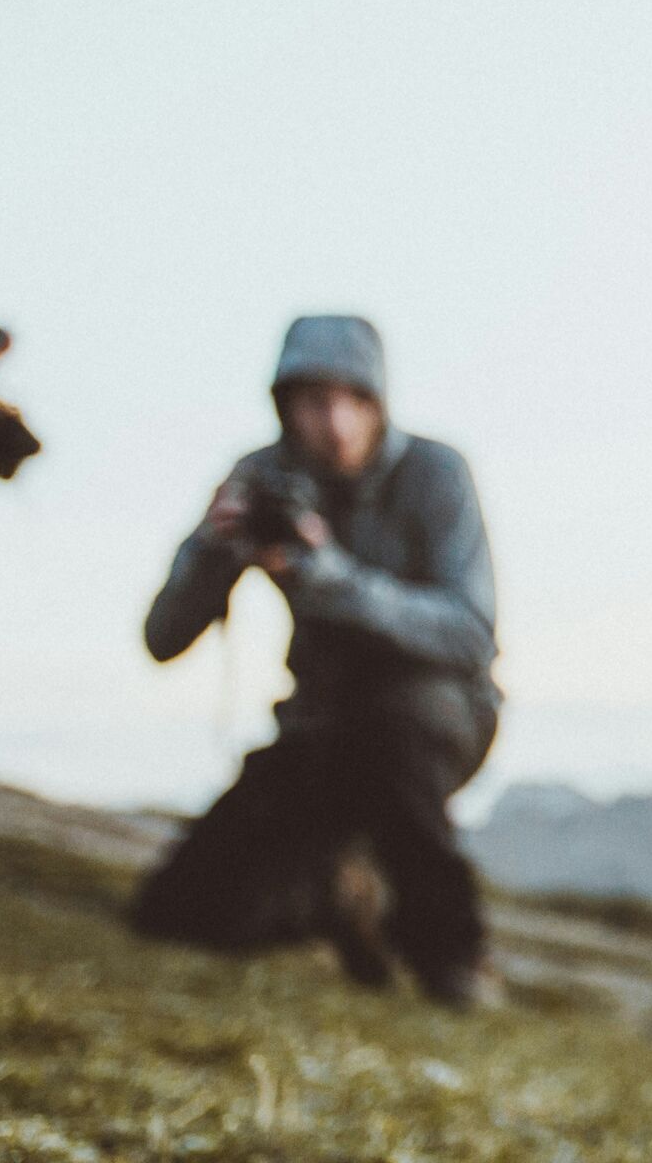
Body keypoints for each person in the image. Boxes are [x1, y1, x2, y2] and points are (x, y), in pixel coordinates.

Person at [131, 315, 502, 1007]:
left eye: (351, 400)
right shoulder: (262, 480)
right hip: (319, 728)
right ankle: (335, 897)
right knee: (173, 912)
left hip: (436, 721)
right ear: (284, 406)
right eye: (312, 401)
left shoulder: (436, 473)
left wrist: (333, 578)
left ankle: (452, 954)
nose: (333, 423)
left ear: (377, 404)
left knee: (396, 721)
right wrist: (216, 549)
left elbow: (471, 633)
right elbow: (162, 639)